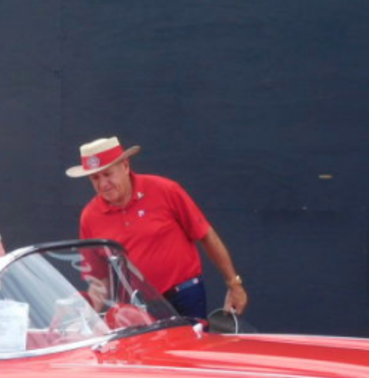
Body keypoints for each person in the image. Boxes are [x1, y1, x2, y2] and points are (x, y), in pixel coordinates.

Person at [66, 136, 248, 320]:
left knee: (187, 349)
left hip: (184, 296)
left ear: (125, 166)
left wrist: (234, 284)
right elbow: (99, 279)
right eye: (95, 178)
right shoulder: (90, 217)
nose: (103, 184)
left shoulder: (165, 190)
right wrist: (84, 315)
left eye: (107, 174)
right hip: (137, 308)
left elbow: (206, 235)